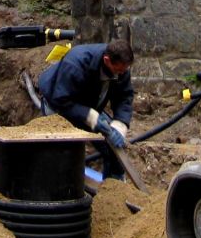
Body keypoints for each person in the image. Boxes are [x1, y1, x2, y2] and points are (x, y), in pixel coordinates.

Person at [36, 38, 135, 181]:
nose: (121, 74)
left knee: (111, 147)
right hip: (58, 105)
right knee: (66, 151)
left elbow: (124, 97)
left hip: (88, 105)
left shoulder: (121, 67)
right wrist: (91, 117)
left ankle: (114, 190)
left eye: (123, 70)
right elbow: (61, 100)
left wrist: (119, 125)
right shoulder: (76, 63)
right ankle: (62, 189)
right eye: (118, 70)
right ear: (107, 60)